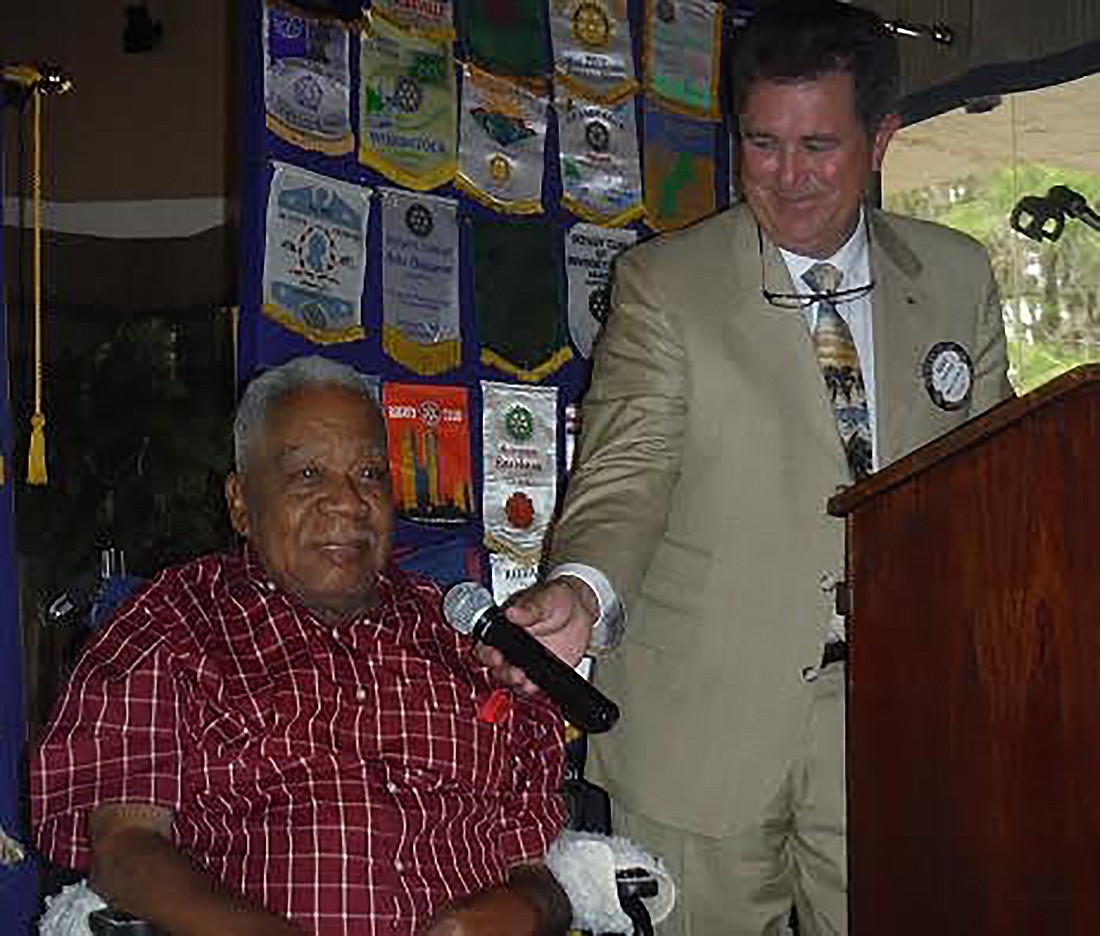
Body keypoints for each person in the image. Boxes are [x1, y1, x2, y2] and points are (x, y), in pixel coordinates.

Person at [484, 3, 1014, 934]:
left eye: (820, 145)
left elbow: (999, 490)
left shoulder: (958, 276)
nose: (789, 178)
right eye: (762, 144)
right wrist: (579, 587)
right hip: (702, 725)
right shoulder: (665, 286)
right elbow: (626, 474)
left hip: (897, 717)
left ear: (881, 137)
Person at [31, 356, 573, 936]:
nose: (348, 501)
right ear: (241, 504)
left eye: (370, 474)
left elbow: (542, 873)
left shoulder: (466, 640)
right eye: (308, 475)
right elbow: (126, 852)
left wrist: (512, 913)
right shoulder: (168, 627)